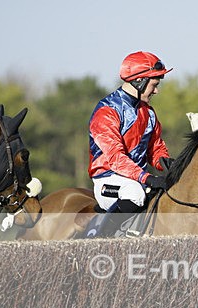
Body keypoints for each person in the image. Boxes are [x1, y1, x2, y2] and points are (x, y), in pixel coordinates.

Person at [85, 51, 172, 237]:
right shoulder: (107, 111)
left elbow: (156, 147)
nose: (156, 91)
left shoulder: (148, 113)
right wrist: (146, 178)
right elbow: (115, 158)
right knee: (134, 193)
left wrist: (165, 162)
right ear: (139, 81)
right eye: (154, 85)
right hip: (108, 180)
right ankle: (102, 241)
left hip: (137, 179)